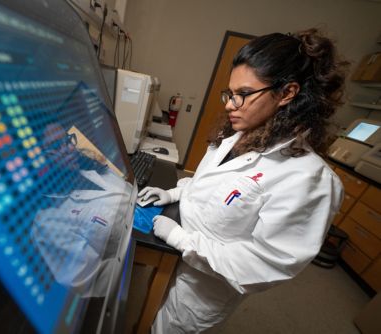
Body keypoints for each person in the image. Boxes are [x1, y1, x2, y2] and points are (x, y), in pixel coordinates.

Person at [138, 28, 348, 333]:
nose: (229, 104)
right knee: (147, 313)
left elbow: (264, 262)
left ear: (287, 93)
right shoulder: (238, 136)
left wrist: (183, 241)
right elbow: (210, 187)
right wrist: (173, 193)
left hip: (203, 288)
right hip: (172, 259)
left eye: (244, 94)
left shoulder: (308, 179)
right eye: (230, 93)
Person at [31, 123, 132, 297]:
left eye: (68, 140)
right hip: (133, 272)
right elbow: (88, 281)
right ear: (38, 159)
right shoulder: (47, 222)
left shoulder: (90, 169)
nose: (70, 148)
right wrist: (135, 257)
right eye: (57, 146)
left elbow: (129, 192)